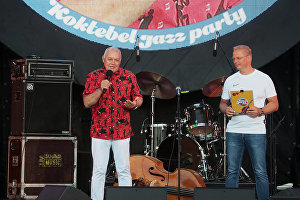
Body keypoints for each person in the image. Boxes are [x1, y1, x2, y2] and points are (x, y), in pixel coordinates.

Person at [83, 47, 143, 200]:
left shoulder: (129, 76)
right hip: (99, 131)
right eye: (110, 59)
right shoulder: (93, 76)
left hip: (122, 131)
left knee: (123, 170)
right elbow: (87, 102)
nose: (113, 63)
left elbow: (138, 97)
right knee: (99, 171)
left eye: (116, 60)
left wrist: (134, 104)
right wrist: (100, 89)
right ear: (103, 59)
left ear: (120, 61)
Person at [219, 45, 279, 200]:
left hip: (256, 131)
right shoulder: (230, 80)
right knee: (232, 171)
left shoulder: (264, 78)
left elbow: (274, 103)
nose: (235, 61)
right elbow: (222, 103)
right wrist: (226, 110)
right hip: (234, 131)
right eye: (234, 58)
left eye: (238, 58)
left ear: (249, 58)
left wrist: (261, 111)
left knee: (260, 171)